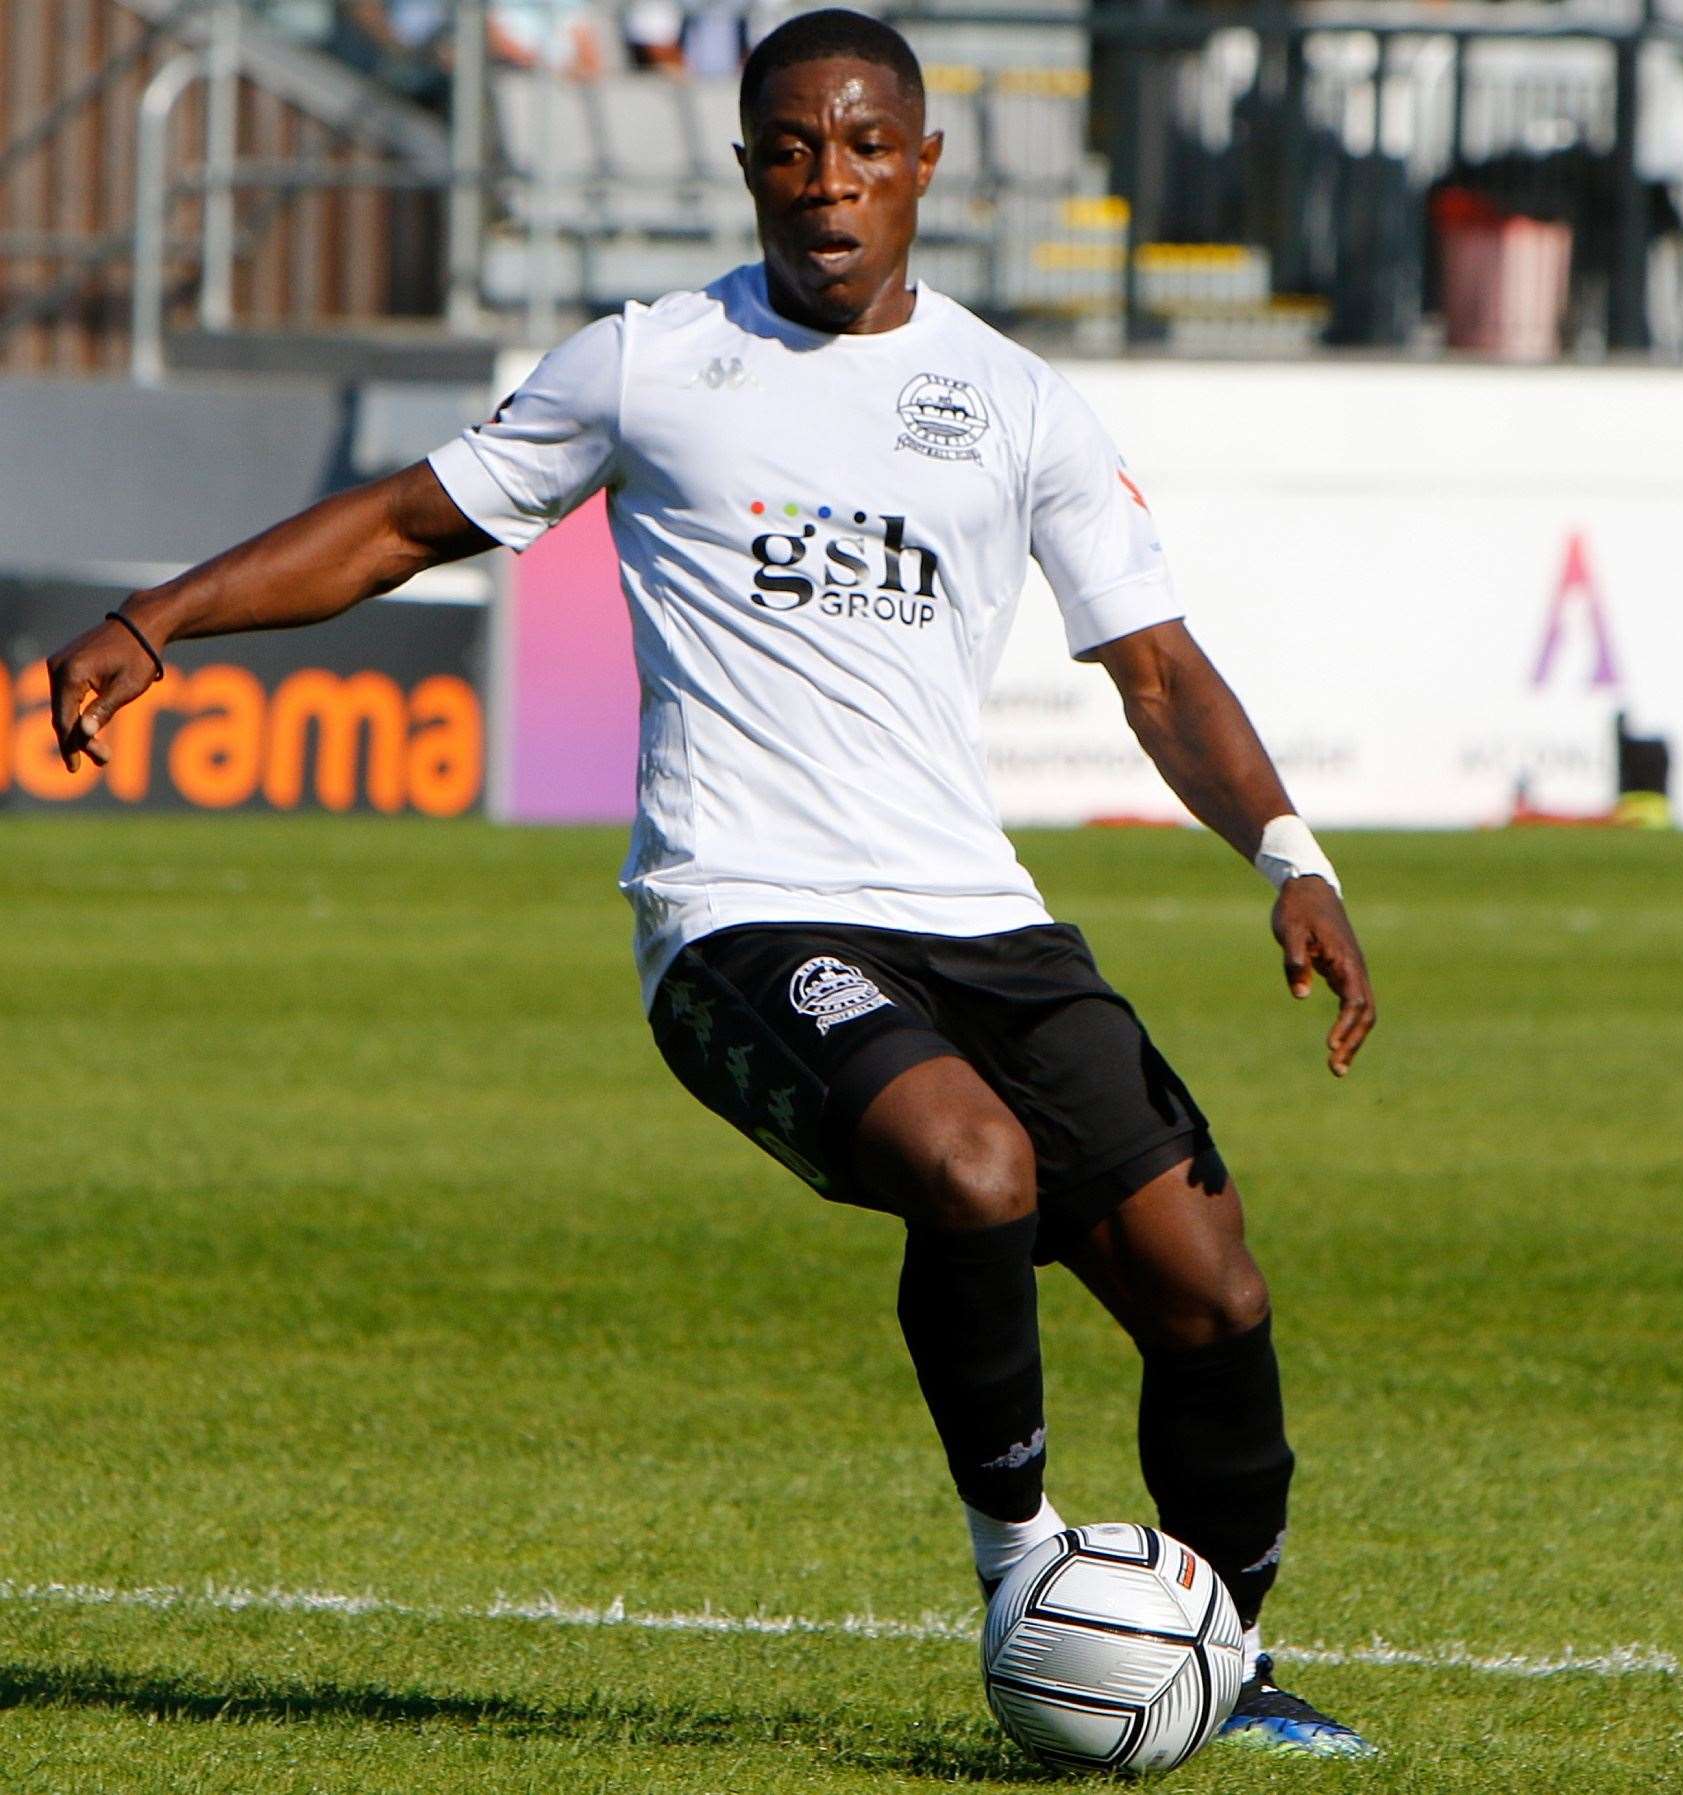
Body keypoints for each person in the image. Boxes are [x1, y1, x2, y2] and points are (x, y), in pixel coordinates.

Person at [46, 7, 1377, 1759]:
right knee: (967, 1169)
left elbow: (1153, 667)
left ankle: (1217, 1664)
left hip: (976, 916)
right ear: (747, 162)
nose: (829, 185)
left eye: (864, 148)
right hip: (741, 912)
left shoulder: (1016, 399)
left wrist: (1286, 851)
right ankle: (1023, 1573)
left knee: (1212, 1293)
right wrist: (164, 619)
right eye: (792, 150)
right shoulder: (650, 362)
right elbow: (401, 524)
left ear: (924, 164)